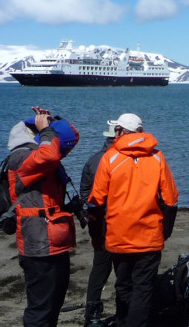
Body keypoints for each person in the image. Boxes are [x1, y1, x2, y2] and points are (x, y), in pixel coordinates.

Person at [87, 113, 178, 327]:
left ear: (119, 131)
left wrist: (97, 234)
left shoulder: (110, 158)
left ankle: (124, 321)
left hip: (119, 236)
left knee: (124, 284)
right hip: (148, 236)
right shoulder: (157, 157)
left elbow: (95, 202)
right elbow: (171, 200)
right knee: (143, 288)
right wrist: (165, 230)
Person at [6, 107, 80, 327]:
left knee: (52, 304)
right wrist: (47, 129)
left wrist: (53, 120)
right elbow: (49, 154)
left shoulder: (35, 156)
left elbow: (70, 138)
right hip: (38, 244)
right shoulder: (21, 157)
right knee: (41, 308)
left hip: (49, 240)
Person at [80, 123, 117, 326]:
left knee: (99, 268)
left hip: (97, 220)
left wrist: (91, 212)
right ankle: (124, 311)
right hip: (117, 222)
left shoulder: (93, 160)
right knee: (122, 268)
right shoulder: (123, 160)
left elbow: (84, 193)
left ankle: (91, 314)